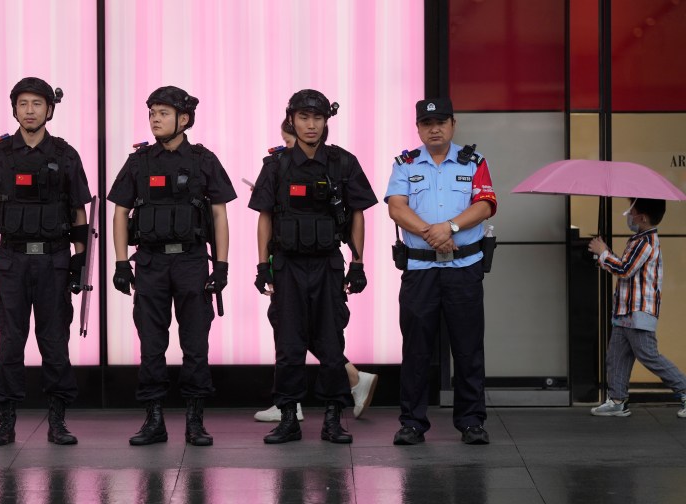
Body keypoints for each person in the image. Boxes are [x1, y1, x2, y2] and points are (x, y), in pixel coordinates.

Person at [107, 86, 236, 447]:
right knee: (151, 344)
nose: (155, 120)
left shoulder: (202, 160)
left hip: (192, 261)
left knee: (195, 343)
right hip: (150, 262)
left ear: (184, 119)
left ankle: (195, 422)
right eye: (152, 113)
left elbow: (219, 214)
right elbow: (119, 212)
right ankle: (154, 420)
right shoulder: (139, 161)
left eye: (163, 113)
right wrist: (120, 262)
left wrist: (221, 265)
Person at [249, 89, 378, 444]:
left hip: (327, 265)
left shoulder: (343, 163)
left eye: (317, 118)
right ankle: (289, 417)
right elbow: (265, 217)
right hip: (287, 265)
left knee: (331, 344)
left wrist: (358, 263)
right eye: (303, 118)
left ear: (326, 122)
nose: (310, 125)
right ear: (291, 119)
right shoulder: (275, 166)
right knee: (288, 345)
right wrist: (263, 266)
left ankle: (334, 419)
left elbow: (357, 214)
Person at [0, 77, 91, 446]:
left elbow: (79, 214)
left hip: (54, 260)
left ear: (49, 110)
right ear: (14, 109)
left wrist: (79, 262)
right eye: (23, 104)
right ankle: (6, 420)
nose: (29, 110)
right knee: (10, 341)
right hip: (11, 259)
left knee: (55, 340)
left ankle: (58, 420)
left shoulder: (66, 155)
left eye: (36, 104)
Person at [384, 98, 497, 446]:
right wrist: (431, 233)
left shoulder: (474, 162)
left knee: (467, 348)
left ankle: (471, 421)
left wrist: (448, 227)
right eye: (427, 123)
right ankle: (413, 423)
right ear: (417, 127)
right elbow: (396, 208)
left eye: (441, 122)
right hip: (420, 269)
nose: (434, 128)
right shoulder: (405, 164)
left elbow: (485, 204)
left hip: (464, 269)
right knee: (416, 349)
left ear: (453, 124)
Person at [588, 198, 686, 418]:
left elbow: (624, 269)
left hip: (638, 311)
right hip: (626, 310)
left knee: (649, 355)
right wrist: (603, 254)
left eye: (631, 213)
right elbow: (626, 267)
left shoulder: (646, 242)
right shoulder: (639, 239)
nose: (629, 217)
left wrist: (603, 252)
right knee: (616, 356)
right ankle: (617, 400)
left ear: (642, 217)